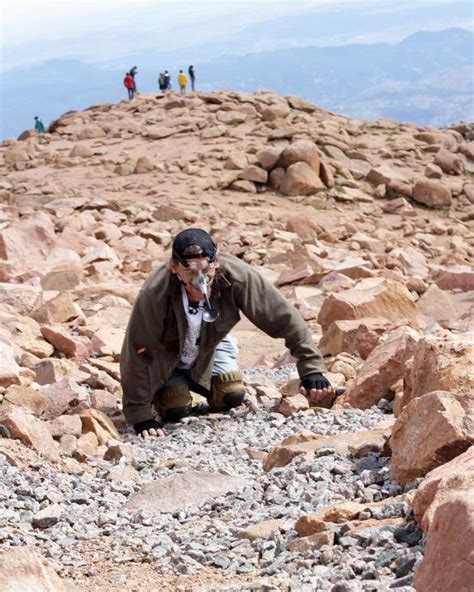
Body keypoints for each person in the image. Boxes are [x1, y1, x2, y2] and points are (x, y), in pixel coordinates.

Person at [120, 228, 333, 438]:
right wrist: (140, 415)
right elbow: (138, 350)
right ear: (174, 266)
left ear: (217, 260)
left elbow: (283, 318)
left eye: (205, 271)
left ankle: (204, 384)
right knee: (175, 408)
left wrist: (312, 369)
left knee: (231, 393)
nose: (200, 279)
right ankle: (167, 390)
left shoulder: (238, 277)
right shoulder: (155, 292)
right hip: (167, 358)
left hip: (209, 349)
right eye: (190, 272)